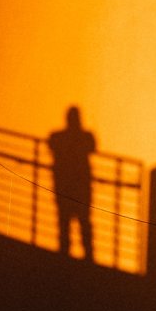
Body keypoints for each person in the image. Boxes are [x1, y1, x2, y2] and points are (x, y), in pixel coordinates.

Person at [47, 107, 96, 261]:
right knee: (81, 223)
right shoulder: (85, 137)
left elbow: (52, 143)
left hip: (66, 188)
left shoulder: (59, 137)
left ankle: (65, 255)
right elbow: (92, 146)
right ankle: (87, 257)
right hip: (80, 189)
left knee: (67, 223)